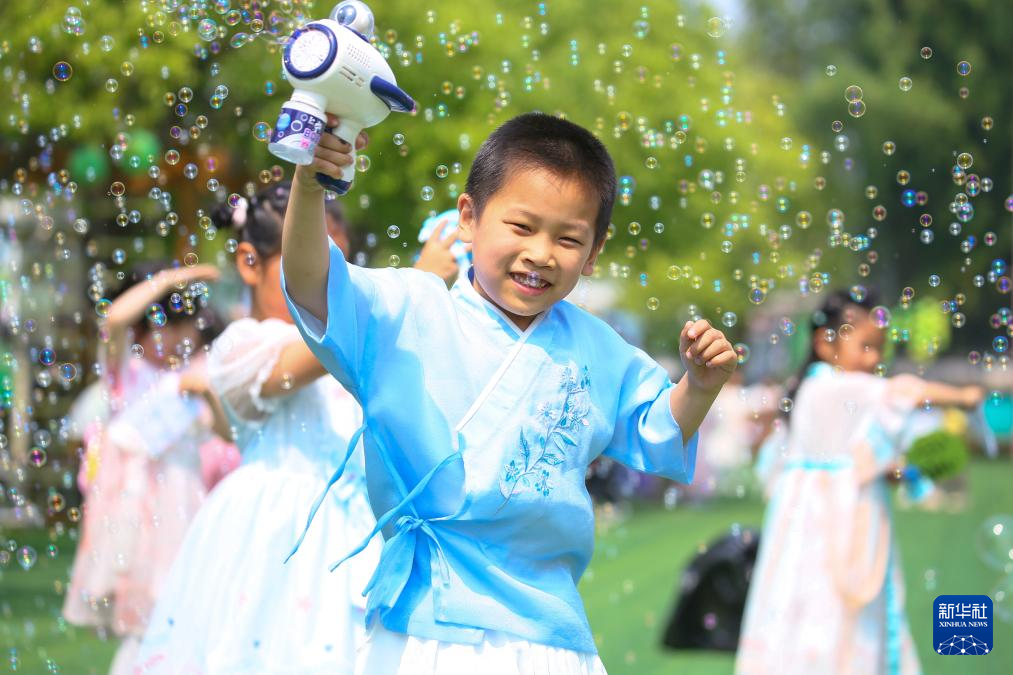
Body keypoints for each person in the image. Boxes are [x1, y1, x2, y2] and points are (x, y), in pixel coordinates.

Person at [281, 112, 737, 673]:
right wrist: (309, 185)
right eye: (521, 227)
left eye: (568, 239)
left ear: (594, 252)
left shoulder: (598, 348)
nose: (541, 253)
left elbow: (656, 426)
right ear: (468, 218)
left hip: (544, 633)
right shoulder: (408, 310)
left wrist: (699, 386)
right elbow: (312, 282)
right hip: (422, 626)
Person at [134, 181, 461, 674]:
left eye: (338, 272)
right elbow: (302, 361)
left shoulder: (351, 351)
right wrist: (415, 283)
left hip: (353, 535)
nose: (328, 287)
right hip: (274, 540)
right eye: (310, 264)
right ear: (250, 263)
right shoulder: (241, 344)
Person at [736, 290, 984, 675]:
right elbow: (906, 391)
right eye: (866, 346)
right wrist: (966, 397)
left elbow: (851, 454)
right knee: (837, 605)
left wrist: (896, 471)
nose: (874, 359)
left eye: (880, 349)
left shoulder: (813, 387)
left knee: (799, 603)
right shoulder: (836, 386)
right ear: (824, 343)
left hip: (804, 518)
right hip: (840, 515)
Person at [63, 262, 223, 675]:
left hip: (184, 506)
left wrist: (207, 395)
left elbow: (228, 434)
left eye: (185, 328)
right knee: (144, 619)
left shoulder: (196, 375)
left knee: (181, 609)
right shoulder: (128, 373)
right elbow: (114, 318)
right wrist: (171, 280)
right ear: (141, 332)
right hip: (134, 514)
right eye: (164, 328)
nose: (177, 338)